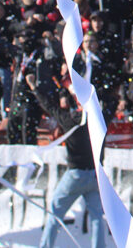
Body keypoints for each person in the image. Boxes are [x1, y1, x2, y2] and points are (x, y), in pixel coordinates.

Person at [28, 77, 106, 248]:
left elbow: (49, 106)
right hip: (95, 175)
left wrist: (35, 87)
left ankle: (46, 246)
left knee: (55, 213)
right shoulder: (99, 120)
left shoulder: (69, 120)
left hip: (76, 174)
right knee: (97, 217)